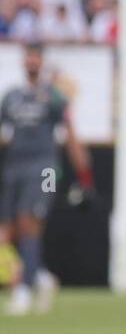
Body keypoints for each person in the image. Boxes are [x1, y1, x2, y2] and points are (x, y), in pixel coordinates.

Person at [0, 43, 93, 315]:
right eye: (27, 57)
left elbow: (71, 135)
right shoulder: (11, 98)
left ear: (42, 62)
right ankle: (40, 276)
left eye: (36, 57)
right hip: (15, 166)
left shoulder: (54, 97)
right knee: (10, 230)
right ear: (23, 61)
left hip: (46, 169)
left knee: (30, 221)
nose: (31, 61)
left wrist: (85, 176)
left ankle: (24, 290)